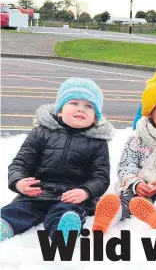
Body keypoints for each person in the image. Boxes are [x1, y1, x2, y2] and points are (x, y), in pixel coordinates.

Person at [2, 78, 112, 243]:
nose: (81, 109)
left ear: (95, 117)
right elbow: (21, 162)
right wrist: (18, 182)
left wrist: (86, 191)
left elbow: (101, 177)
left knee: (67, 212)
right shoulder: (41, 132)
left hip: (72, 197)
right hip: (38, 193)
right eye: (74, 103)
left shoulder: (97, 143)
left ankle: (64, 230)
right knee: (18, 210)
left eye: (88, 106)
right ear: (60, 110)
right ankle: (4, 226)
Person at [92, 71, 156, 233]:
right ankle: (107, 217)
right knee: (127, 199)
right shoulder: (138, 138)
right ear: (150, 111)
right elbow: (126, 165)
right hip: (140, 186)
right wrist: (136, 183)